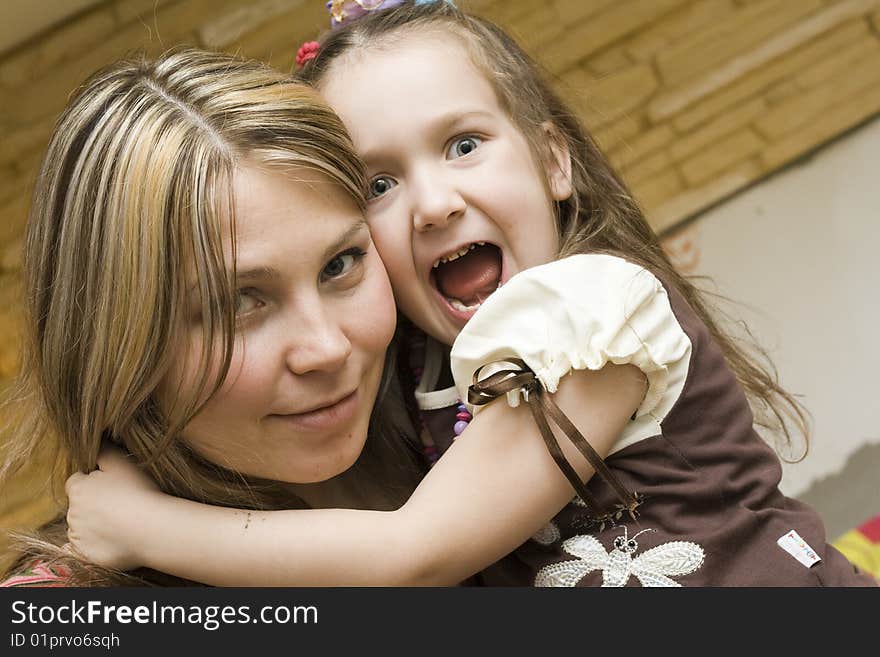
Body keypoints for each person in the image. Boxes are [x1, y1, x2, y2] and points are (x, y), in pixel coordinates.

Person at [62, 1, 875, 586]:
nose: (436, 202)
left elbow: (413, 554)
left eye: (463, 144)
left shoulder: (590, 311)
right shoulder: (417, 370)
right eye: (379, 182)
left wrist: (144, 526)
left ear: (554, 162)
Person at [0, 47, 426, 586]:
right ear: (114, 347)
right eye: (239, 302)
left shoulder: (473, 421)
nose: (328, 348)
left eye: (340, 264)